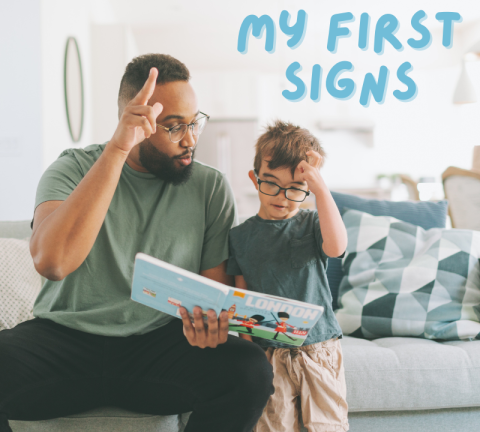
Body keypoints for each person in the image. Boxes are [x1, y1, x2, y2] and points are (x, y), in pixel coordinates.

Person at [0, 54, 273, 432]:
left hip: (159, 345)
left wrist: (208, 325)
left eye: (194, 123)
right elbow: (52, 262)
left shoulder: (209, 187)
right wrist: (117, 150)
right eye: (174, 126)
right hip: (64, 340)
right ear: (134, 122)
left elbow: (213, 292)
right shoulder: (72, 168)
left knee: (248, 369)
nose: (190, 139)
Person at [227, 121, 349, 432]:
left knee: (328, 425)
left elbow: (336, 248)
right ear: (255, 180)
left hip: (318, 349)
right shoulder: (239, 237)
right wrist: (250, 352)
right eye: (271, 183)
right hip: (269, 353)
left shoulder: (310, 223)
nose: (282, 196)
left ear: (308, 188)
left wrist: (320, 187)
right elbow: (241, 298)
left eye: (295, 188)